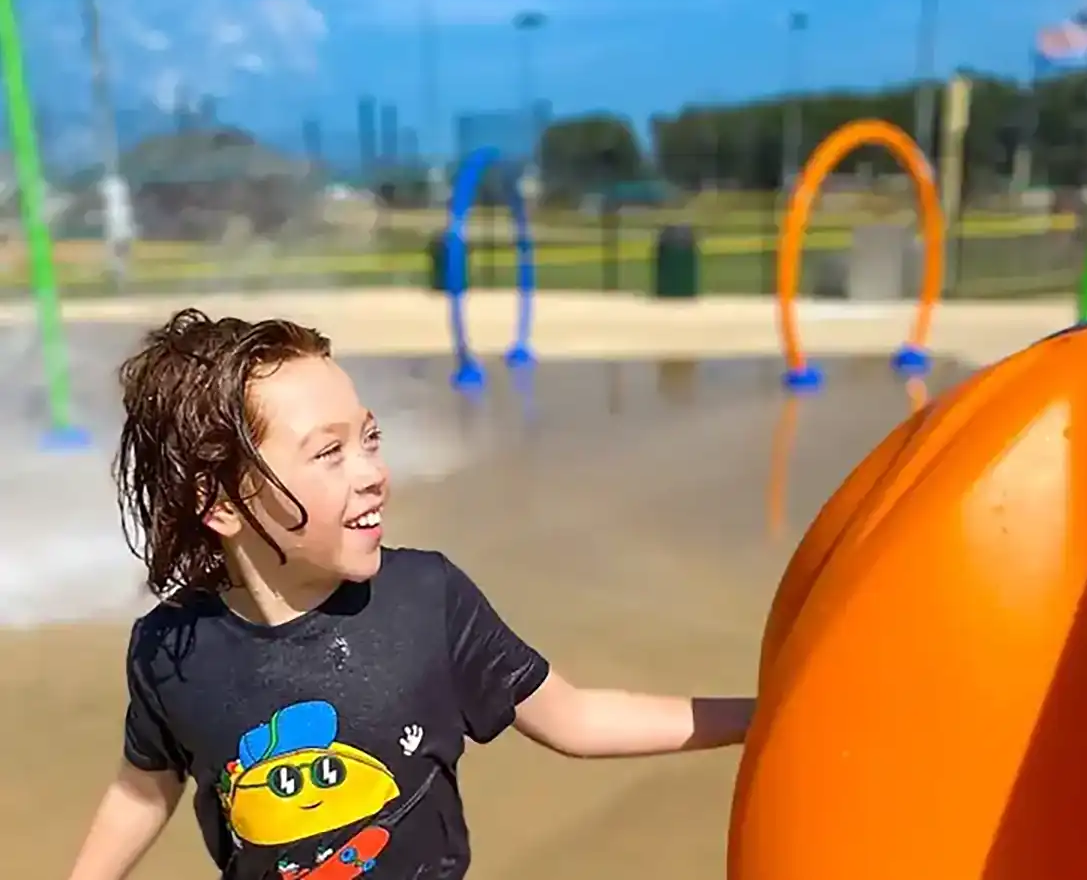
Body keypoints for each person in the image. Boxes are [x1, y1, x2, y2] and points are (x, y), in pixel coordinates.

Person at [67, 309, 755, 880]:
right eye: (328, 453)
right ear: (217, 502)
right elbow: (142, 788)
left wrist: (765, 716)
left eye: (370, 439)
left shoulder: (426, 598)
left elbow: (574, 719)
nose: (372, 473)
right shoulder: (172, 649)